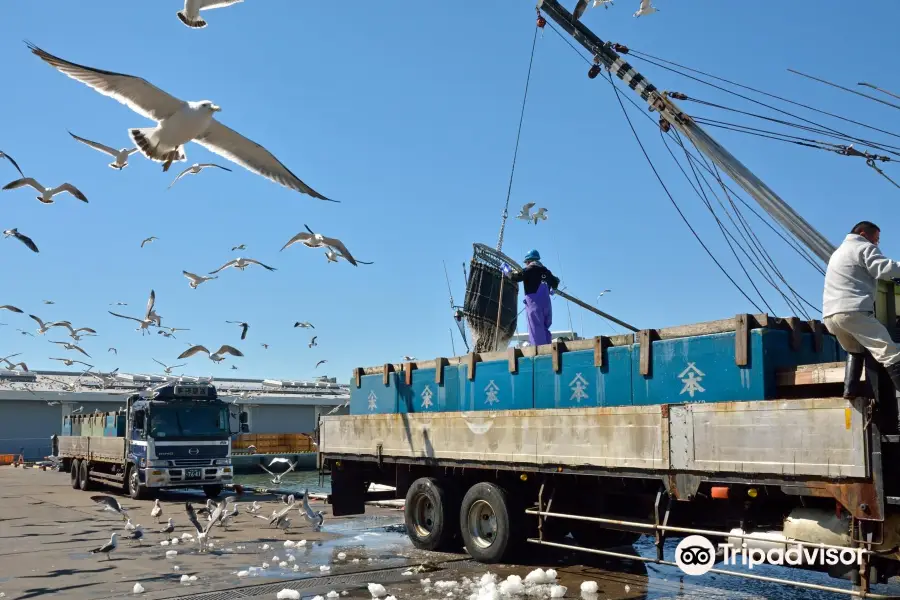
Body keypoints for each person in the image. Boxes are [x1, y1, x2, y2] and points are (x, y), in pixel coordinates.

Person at [823, 221, 900, 407]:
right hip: (854, 311)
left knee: (855, 350)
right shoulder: (863, 247)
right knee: (889, 352)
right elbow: (884, 269)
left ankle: (850, 391)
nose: (877, 244)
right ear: (864, 233)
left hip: (831, 315)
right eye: (876, 239)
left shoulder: (838, 252)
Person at [508, 249, 560, 346]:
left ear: (528, 261)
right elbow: (556, 282)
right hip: (547, 306)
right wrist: (553, 288)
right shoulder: (546, 271)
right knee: (545, 327)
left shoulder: (529, 270)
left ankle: (540, 352)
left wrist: (506, 271)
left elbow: (515, 277)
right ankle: (548, 349)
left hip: (534, 306)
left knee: (535, 328)